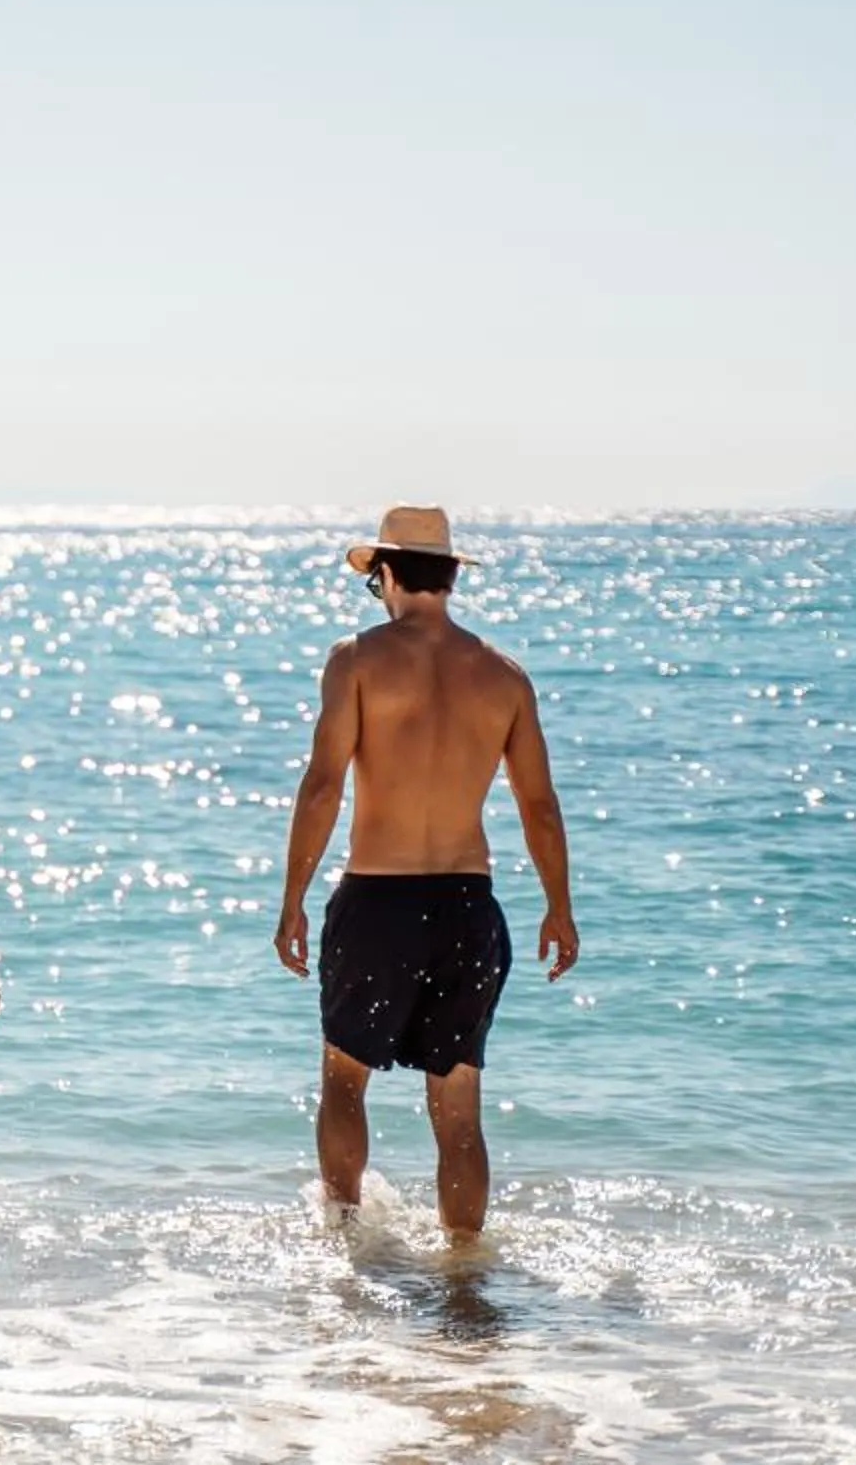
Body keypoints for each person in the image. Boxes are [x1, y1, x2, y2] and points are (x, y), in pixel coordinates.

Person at [272, 506, 578, 1242]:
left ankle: (342, 1243)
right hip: (469, 906)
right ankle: (465, 1269)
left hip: (378, 897)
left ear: (385, 574)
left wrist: (293, 900)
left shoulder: (357, 660)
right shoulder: (504, 676)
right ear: (448, 575)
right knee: (459, 1106)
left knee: (345, 1081)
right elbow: (538, 804)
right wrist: (559, 908)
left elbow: (322, 786)